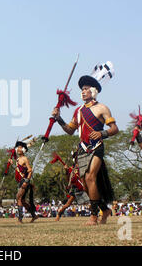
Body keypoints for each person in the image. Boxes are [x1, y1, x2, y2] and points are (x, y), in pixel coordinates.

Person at [52, 73, 118, 225]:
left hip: (96, 147)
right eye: (82, 89)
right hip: (82, 148)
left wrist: (102, 133)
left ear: (93, 91)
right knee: (84, 183)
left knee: (90, 177)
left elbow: (114, 128)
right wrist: (59, 119)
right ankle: (104, 209)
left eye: (86, 89)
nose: (83, 91)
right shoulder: (78, 111)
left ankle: (94, 216)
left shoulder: (102, 108)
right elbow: (70, 130)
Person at [9, 141, 37, 223]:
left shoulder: (25, 158)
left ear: (24, 149)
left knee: (18, 198)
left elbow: (30, 170)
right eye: (18, 147)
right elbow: (18, 170)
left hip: (24, 181)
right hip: (20, 181)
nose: (18, 149)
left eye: (20, 147)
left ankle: (20, 219)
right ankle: (34, 215)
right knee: (23, 201)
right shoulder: (18, 159)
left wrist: (27, 181)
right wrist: (12, 164)